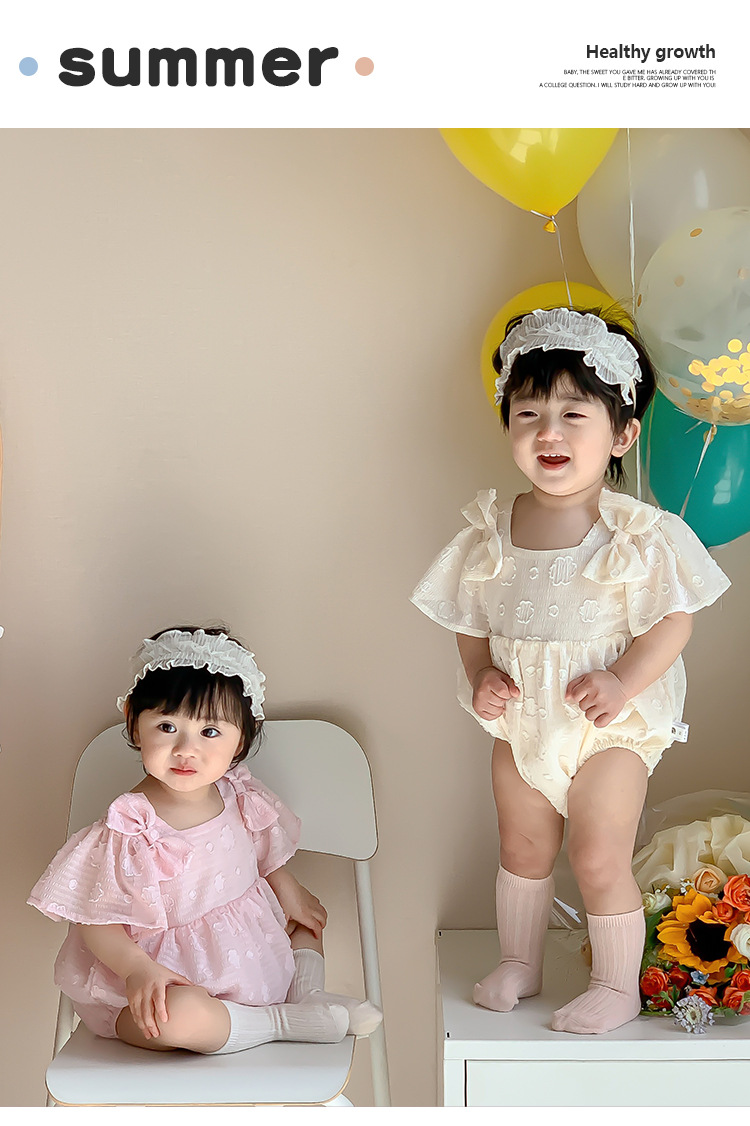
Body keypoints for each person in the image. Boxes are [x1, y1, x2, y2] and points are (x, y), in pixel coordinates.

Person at [411, 307, 731, 1034]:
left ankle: (616, 985)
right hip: (524, 723)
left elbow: (673, 621)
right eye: (528, 413)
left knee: (596, 852)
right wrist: (480, 675)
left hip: (607, 729)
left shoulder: (632, 533)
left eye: (573, 414)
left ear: (622, 435)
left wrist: (623, 681)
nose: (547, 432)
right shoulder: (490, 531)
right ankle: (519, 961)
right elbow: (470, 620)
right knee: (522, 844)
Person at [29, 625, 381, 1054]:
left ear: (241, 738)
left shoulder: (237, 792)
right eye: (167, 726)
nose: (186, 749)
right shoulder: (130, 826)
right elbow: (96, 921)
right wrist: (137, 969)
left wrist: (286, 885)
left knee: (304, 921)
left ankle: (308, 996)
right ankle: (280, 1022)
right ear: (134, 724)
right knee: (176, 1017)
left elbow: (258, 851)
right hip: (161, 979)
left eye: (210, 732)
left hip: (250, 952)